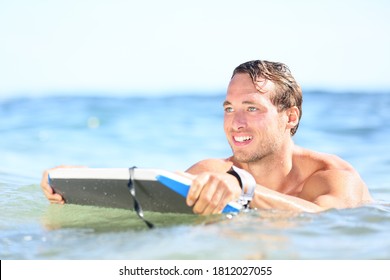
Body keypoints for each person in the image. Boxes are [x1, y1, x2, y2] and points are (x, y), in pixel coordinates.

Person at [41, 60, 373, 214]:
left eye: (252, 108)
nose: (236, 123)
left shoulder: (333, 177)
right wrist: (79, 185)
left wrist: (245, 190)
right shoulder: (214, 171)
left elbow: (326, 221)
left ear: (291, 116)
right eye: (229, 108)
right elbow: (156, 196)